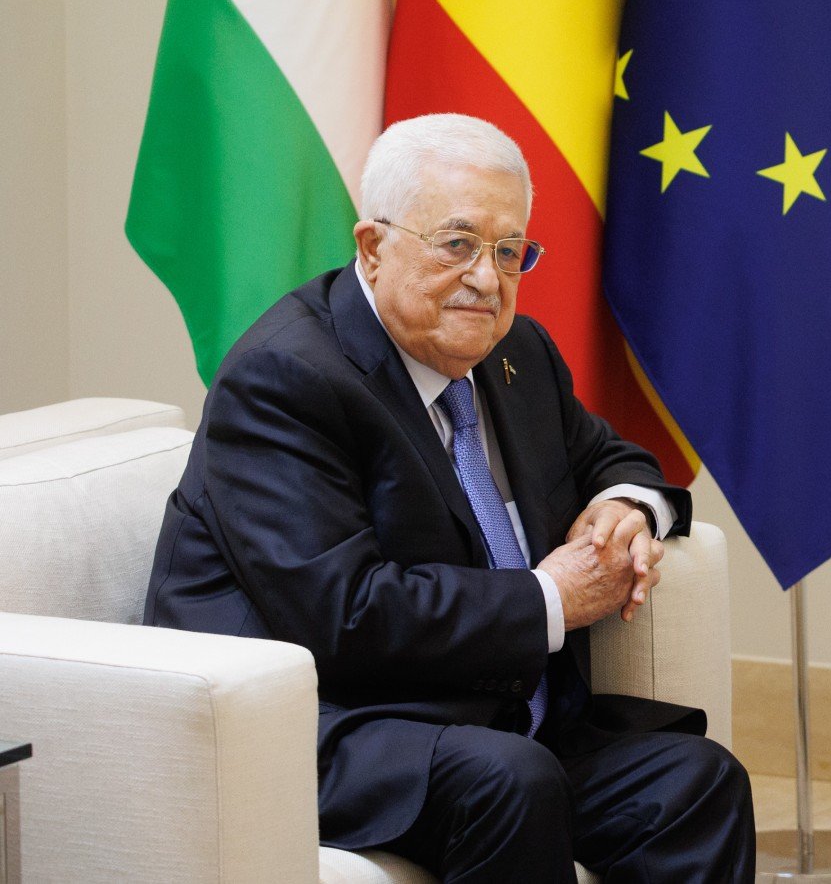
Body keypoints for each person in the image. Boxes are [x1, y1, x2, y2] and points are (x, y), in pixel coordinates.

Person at [143, 114, 754, 882]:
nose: (487, 279)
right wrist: (552, 598)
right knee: (511, 780)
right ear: (373, 246)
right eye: (457, 244)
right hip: (336, 724)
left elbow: (615, 457)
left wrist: (628, 506)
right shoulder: (287, 378)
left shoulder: (516, 353)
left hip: (487, 717)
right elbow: (346, 612)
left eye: (509, 252)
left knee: (696, 782)